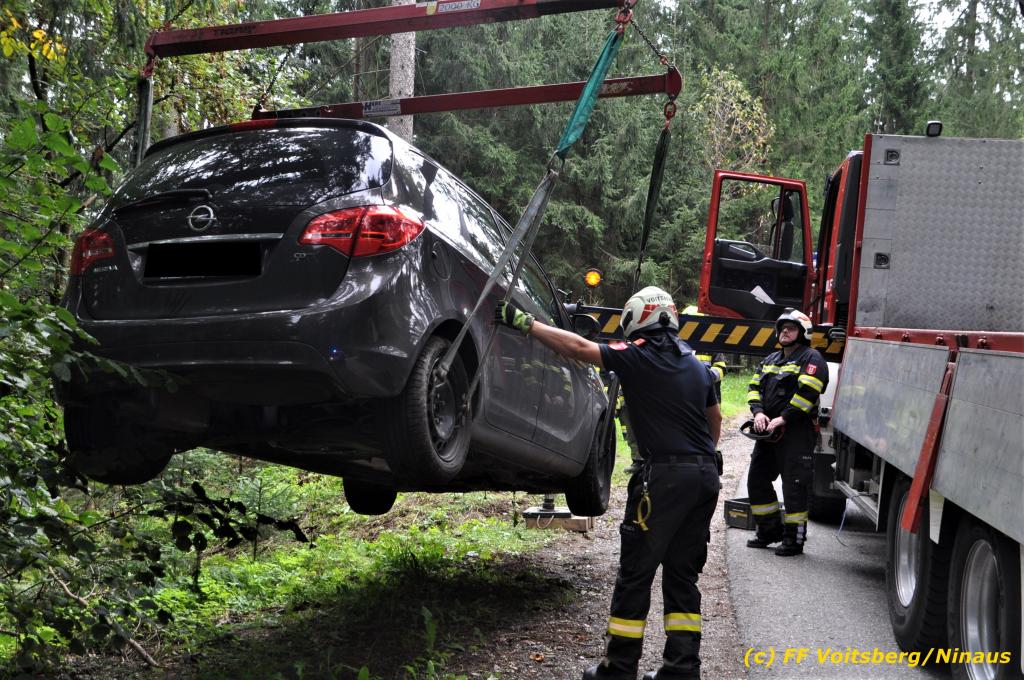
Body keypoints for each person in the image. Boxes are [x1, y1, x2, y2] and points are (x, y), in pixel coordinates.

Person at [496, 286, 722, 680]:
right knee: (682, 575)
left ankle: (618, 669)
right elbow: (714, 420)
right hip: (704, 478)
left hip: (663, 480)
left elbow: (579, 348)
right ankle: (682, 669)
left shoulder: (638, 355)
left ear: (637, 318)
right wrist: (697, 460)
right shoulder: (697, 365)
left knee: (636, 574)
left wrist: (527, 324)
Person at [745, 308, 829, 557]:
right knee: (757, 480)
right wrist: (758, 413)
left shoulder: (811, 358)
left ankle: (794, 539)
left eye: (791, 328)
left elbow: (808, 393)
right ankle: (769, 530)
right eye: (782, 328)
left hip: (796, 434)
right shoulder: (770, 360)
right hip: (767, 433)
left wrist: (783, 418)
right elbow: (753, 387)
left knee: (794, 486)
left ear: (803, 333)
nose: (784, 332)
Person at [680, 306, 728, 403]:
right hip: (684, 397)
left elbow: (721, 368)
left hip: (708, 398)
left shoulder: (711, 344)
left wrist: (707, 377)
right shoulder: (677, 345)